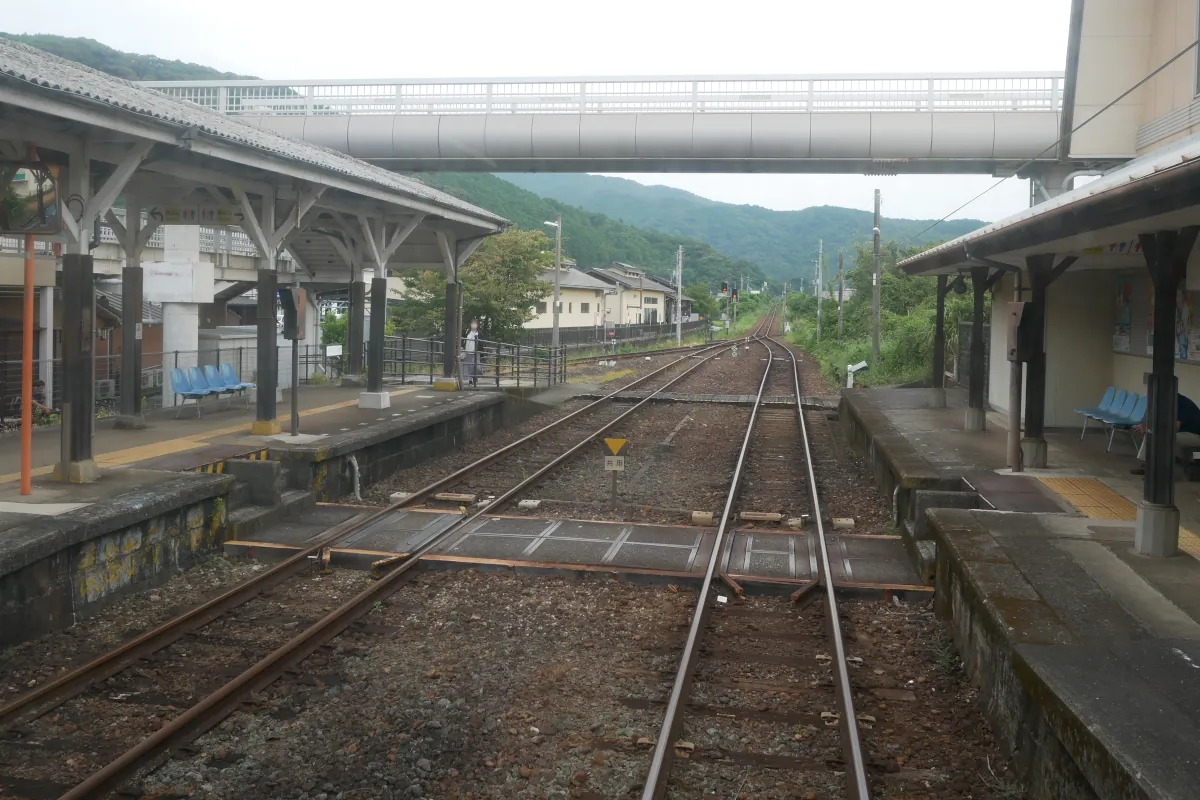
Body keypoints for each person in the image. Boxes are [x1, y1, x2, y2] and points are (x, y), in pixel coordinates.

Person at [1130, 392, 1200, 475]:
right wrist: (1147, 427)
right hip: (1184, 433)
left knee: (1163, 436)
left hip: (1195, 435)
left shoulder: (1183, 404)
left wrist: (1152, 428)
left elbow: (1175, 427)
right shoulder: (1169, 404)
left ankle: (1159, 468)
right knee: (1151, 433)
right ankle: (1148, 464)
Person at [463, 319, 481, 387]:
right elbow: (464, 341)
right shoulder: (468, 332)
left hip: (475, 352)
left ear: (477, 325)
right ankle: (470, 381)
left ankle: (475, 379)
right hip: (468, 351)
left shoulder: (478, 333)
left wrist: (477, 349)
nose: (473, 325)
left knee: (475, 367)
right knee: (469, 367)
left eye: (475, 323)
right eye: (472, 323)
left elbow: (480, 343)